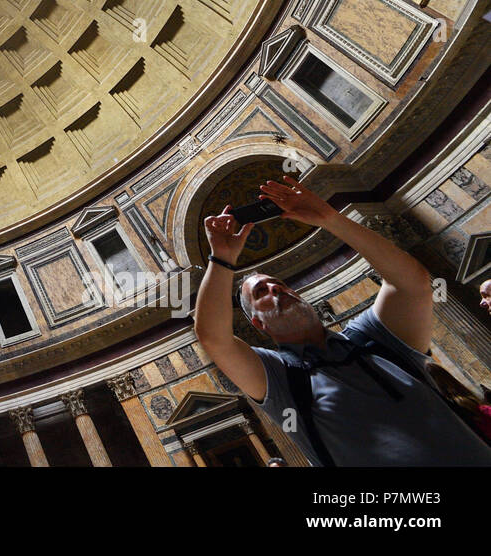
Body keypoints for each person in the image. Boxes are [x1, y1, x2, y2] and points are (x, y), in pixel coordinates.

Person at [194, 175, 491, 466]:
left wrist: (328, 218)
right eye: (261, 292)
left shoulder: (373, 338)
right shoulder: (279, 377)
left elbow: (411, 283)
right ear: (258, 324)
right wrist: (221, 258)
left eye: (280, 284)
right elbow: (213, 338)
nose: (275, 288)